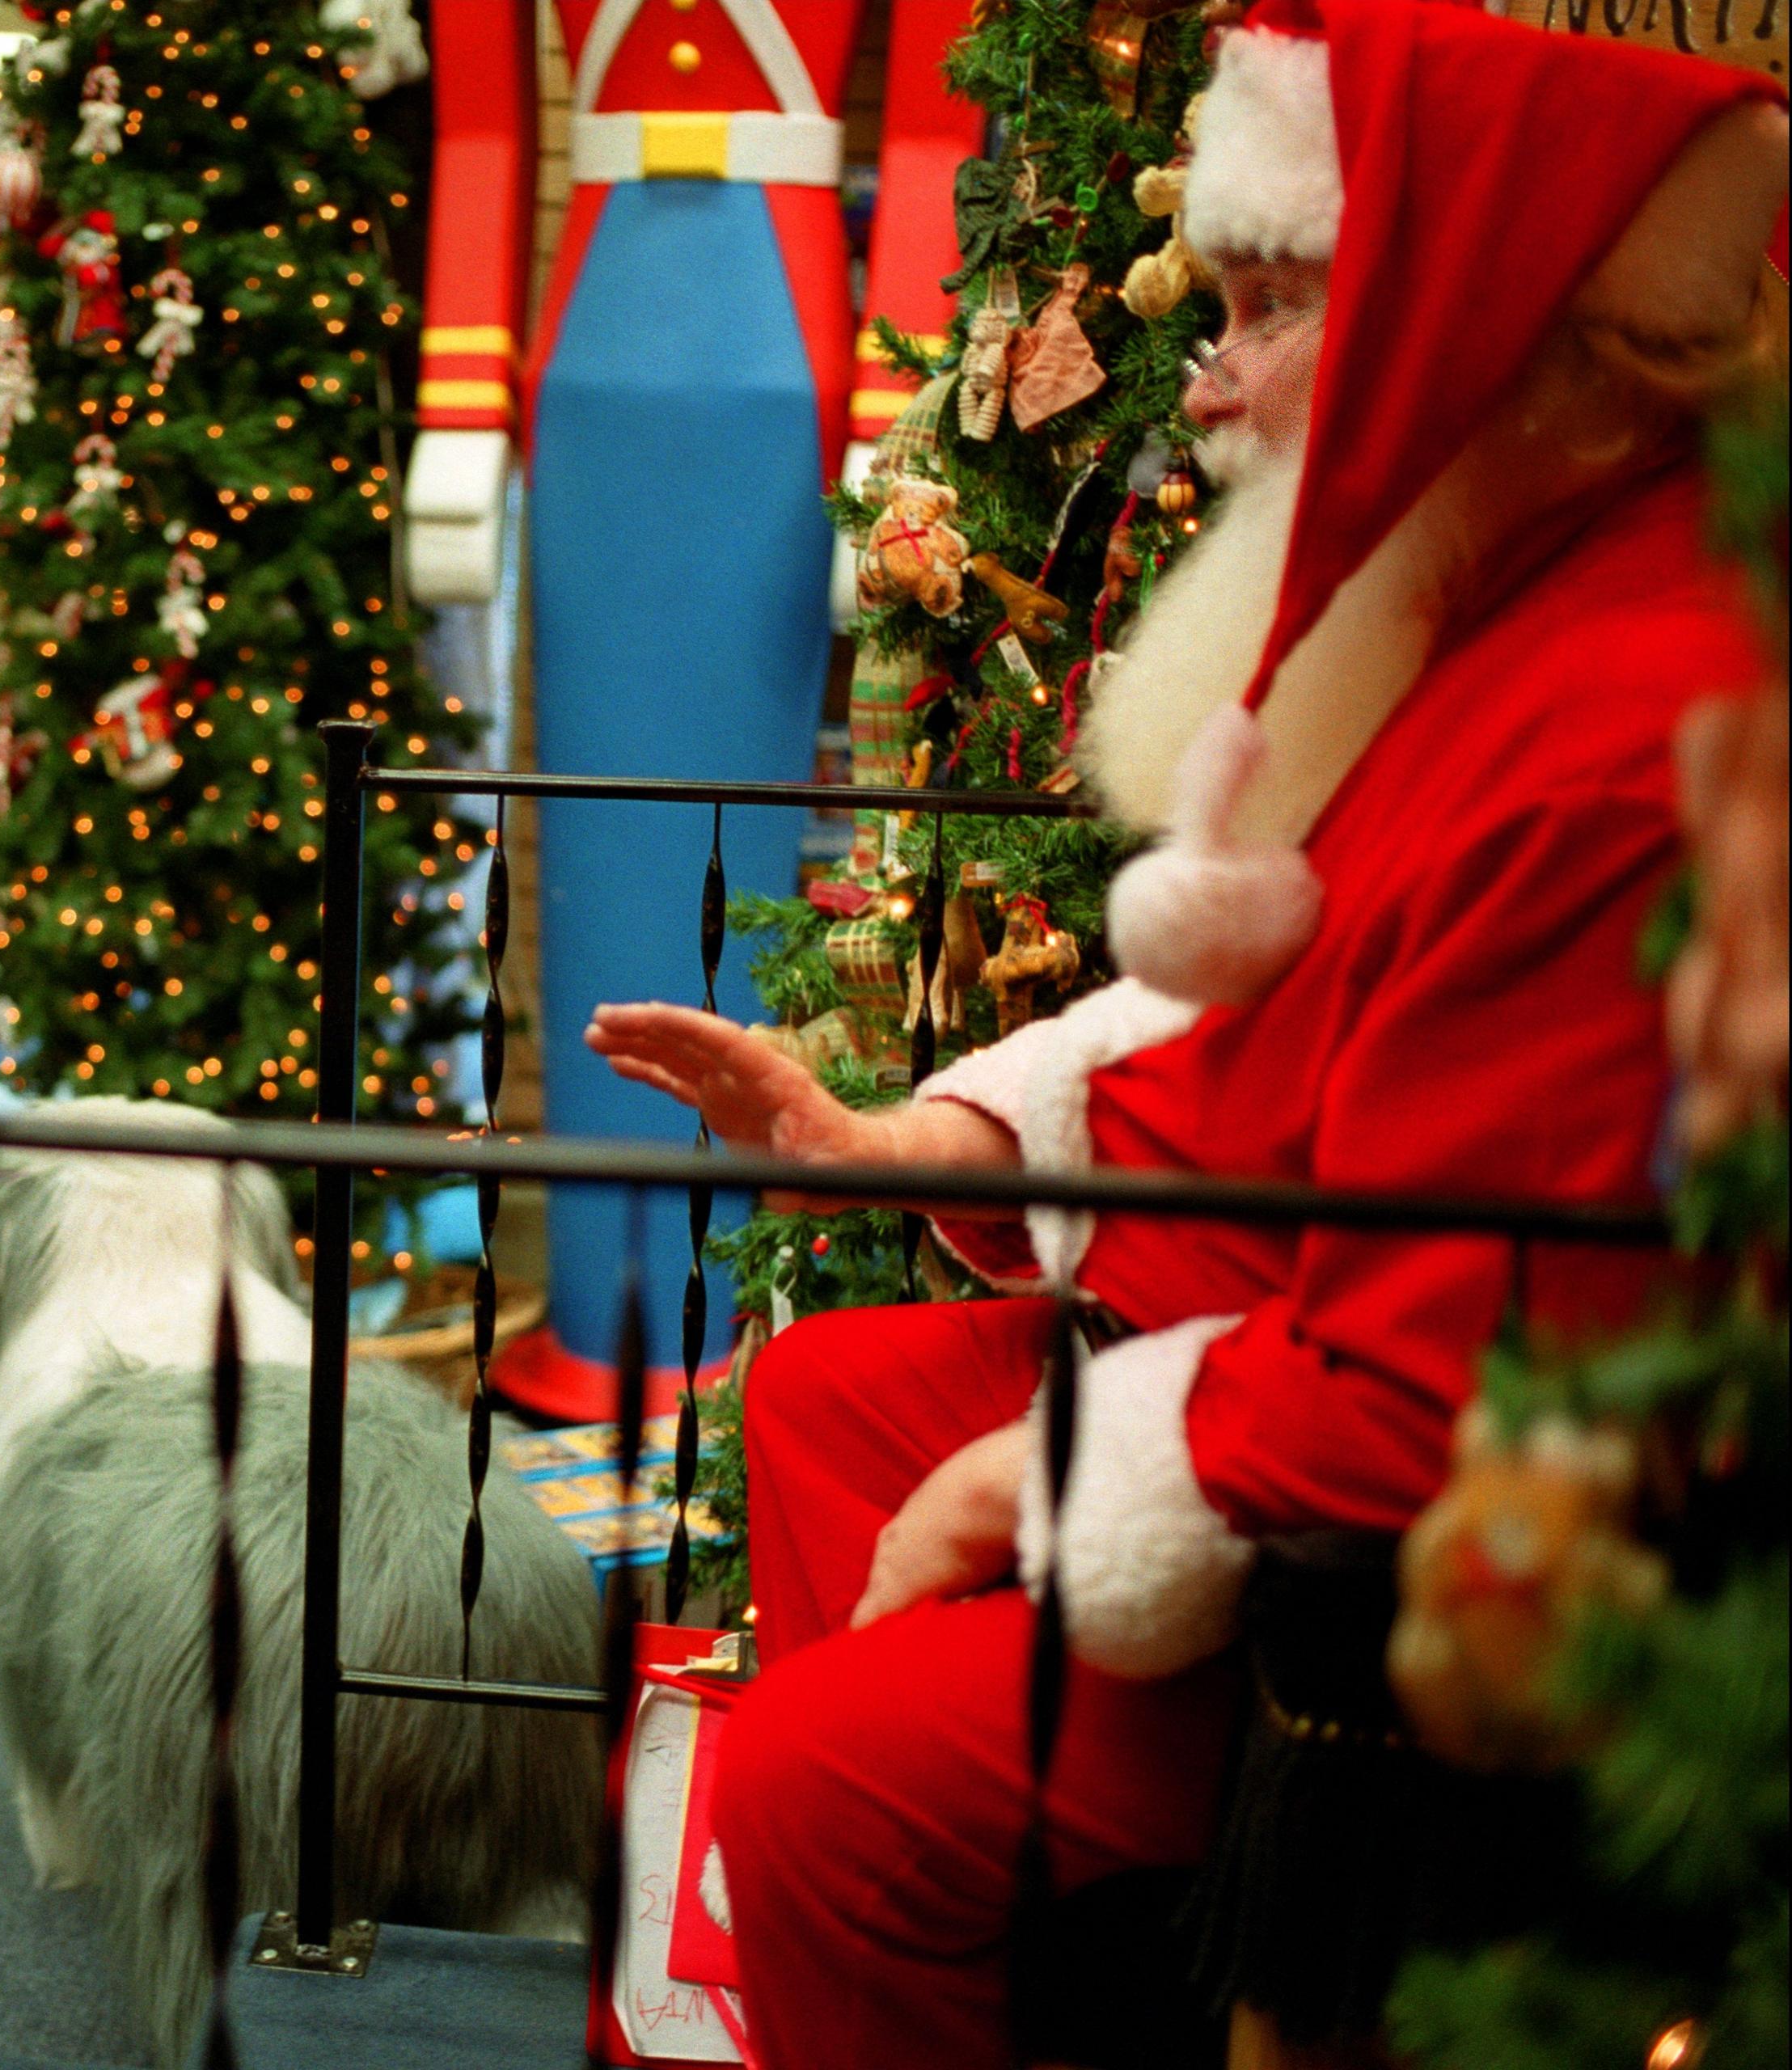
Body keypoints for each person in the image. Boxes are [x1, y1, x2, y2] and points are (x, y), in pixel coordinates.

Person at [581, 3, 1786, 2059]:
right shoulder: (1495, 591)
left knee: (813, 1774)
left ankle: (945, 1892)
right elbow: (1270, 1017)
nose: (1200, 382)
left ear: (1468, 313)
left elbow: (1447, 1385)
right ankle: (1033, 1954)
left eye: (1258, 306)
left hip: (1405, 1583)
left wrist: (1036, 1487)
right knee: (819, 1399)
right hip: (1260, 1346)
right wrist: (919, 1141)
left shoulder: (1616, 726)